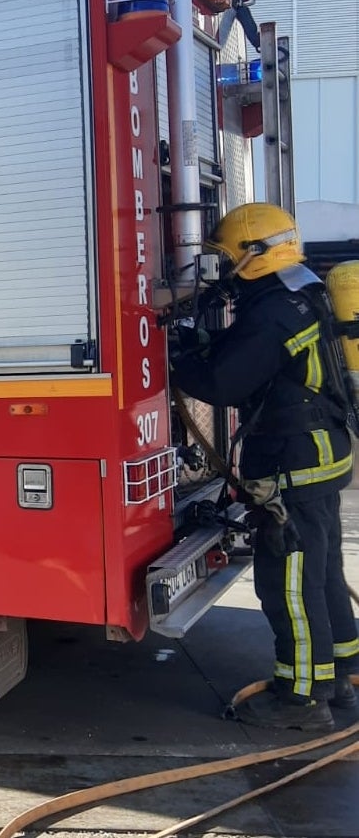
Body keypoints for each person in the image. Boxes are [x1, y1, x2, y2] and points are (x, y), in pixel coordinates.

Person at [171, 202, 358, 731]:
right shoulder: (303, 292)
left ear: (252, 256)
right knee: (321, 573)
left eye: (226, 259)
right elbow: (250, 352)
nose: (223, 272)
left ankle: (302, 699)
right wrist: (203, 343)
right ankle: (341, 675)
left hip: (290, 462)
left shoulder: (271, 310)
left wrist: (178, 358)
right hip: (321, 455)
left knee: (289, 584)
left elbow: (223, 383)